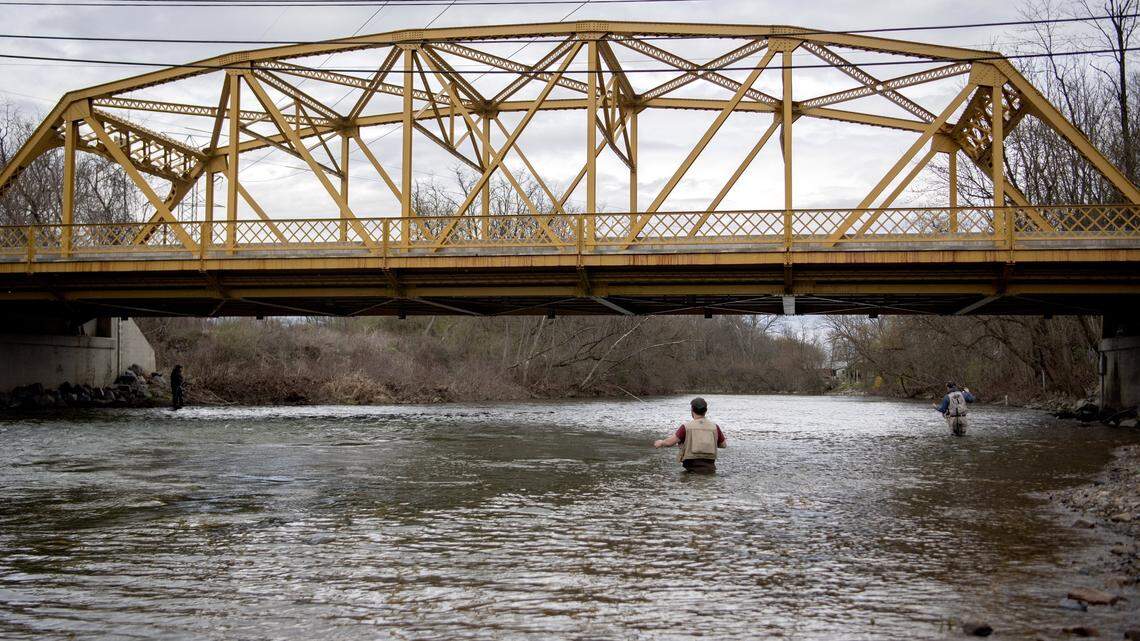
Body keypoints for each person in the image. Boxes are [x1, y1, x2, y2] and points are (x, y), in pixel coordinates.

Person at [653, 397, 727, 473]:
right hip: (710, 469)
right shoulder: (715, 427)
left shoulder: (686, 427)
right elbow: (723, 445)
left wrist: (661, 442)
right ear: (706, 411)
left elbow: (669, 443)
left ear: (692, 410)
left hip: (691, 470)